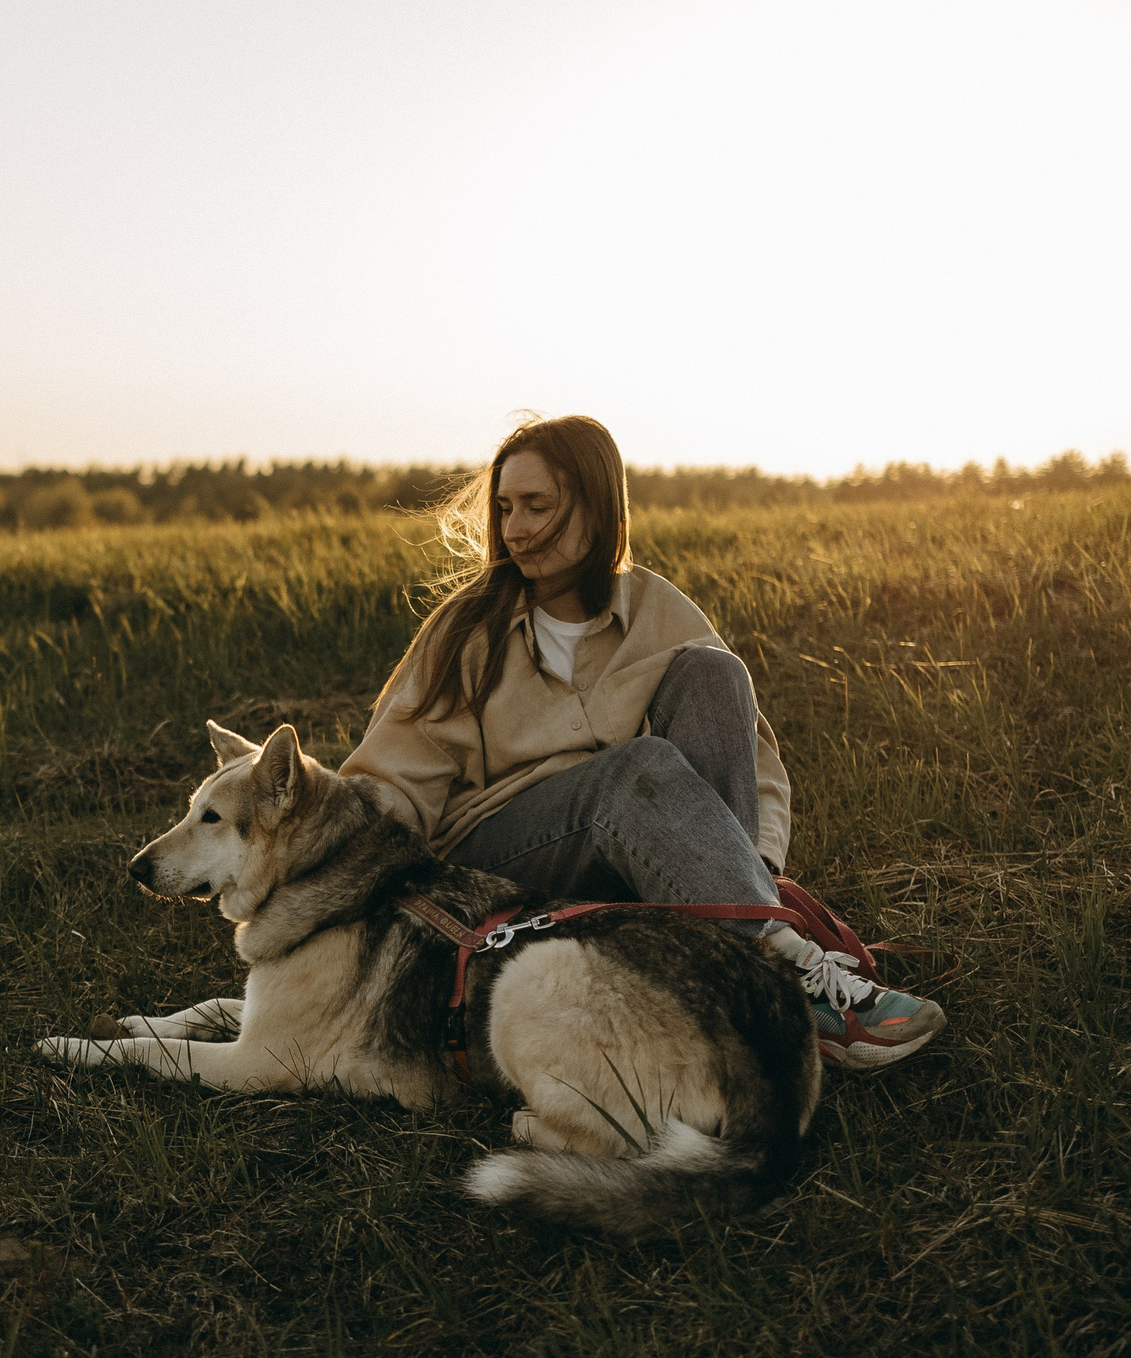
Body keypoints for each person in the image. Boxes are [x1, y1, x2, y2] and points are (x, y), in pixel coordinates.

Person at [338, 413, 945, 1069]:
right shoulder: (465, 628)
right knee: (634, 772)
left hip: (619, 855)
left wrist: (749, 869)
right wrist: (345, 909)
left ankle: (740, 941)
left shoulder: (658, 608)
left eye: (537, 506)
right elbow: (390, 781)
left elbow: (755, 762)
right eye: (506, 506)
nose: (514, 527)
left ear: (598, 512)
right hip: (494, 857)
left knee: (714, 674)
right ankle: (782, 969)